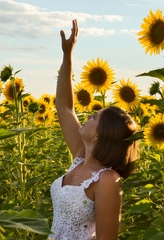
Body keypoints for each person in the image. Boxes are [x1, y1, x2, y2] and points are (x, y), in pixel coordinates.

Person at [48, 19, 138, 240]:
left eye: (94, 116)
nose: (88, 115)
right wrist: (67, 56)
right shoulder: (80, 156)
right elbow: (64, 105)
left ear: (98, 136)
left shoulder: (107, 180)